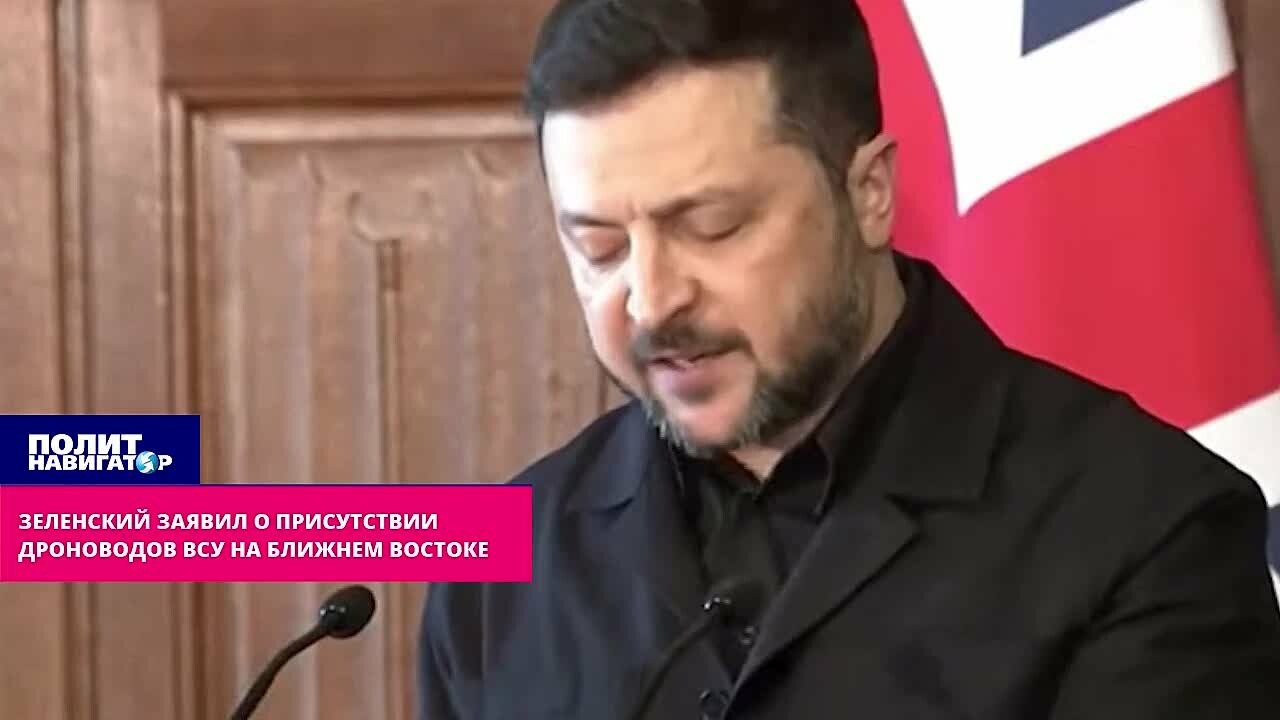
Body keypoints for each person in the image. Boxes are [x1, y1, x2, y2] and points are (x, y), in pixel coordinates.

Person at [417, 1, 1280, 717]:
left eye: (713, 227)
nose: (649, 300)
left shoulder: (1154, 527)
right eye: (599, 248)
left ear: (869, 193)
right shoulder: (494, 562)